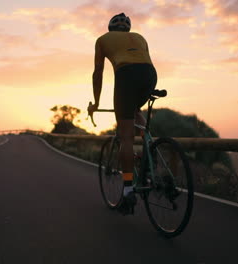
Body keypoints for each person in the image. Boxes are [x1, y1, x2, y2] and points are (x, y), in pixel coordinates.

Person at [89, 13, 157, 215]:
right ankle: (149, 148)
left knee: (126, 136)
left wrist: (96, 103)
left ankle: (128, 190)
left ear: (110, 28)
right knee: (135, 110)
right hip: (150, 75)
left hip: (126, 74)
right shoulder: (140, 37)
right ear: (128, 29)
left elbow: (98, 72)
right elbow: (145, 63)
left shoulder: (102, 40)